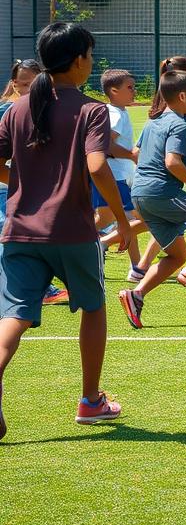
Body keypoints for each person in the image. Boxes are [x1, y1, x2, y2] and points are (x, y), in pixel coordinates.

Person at [0, 23, 131, 439]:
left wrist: (20, 184)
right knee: (92, 307)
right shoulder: (92, 110)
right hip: (72, 231)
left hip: (19, 229)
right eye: (90, 56)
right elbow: (97, 165)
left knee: (15, 316)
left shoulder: (18, 107)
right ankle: (91, 401)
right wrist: (122, 219)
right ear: (78, 60)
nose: (91, 63)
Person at [119, 72, 186, 328]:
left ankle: (136, 295)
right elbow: (172, 162)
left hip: (140, 194)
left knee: (177, 255)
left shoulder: (152, 122)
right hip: (160, 192)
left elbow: (136, 153)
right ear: (182, 96)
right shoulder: (179, 124)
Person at [0, 60, 67, 307]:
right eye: (24, 83)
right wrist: (22, 182)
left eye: (34, 83)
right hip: (8, 188)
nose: (29, 89)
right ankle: (43, 289)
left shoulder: (47, 110)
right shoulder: (9, 111)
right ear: (15, 84)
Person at [92, 69, 147, 282]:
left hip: (113, 175)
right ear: (113, 91)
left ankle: (137, 267)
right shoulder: (114, 114)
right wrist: (132, 155)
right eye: (130, 88)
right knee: (141, 219)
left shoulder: (115, 111)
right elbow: (105, 144)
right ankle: (98, 244)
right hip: (114, 177)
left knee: (110, 218)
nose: (134, 91)